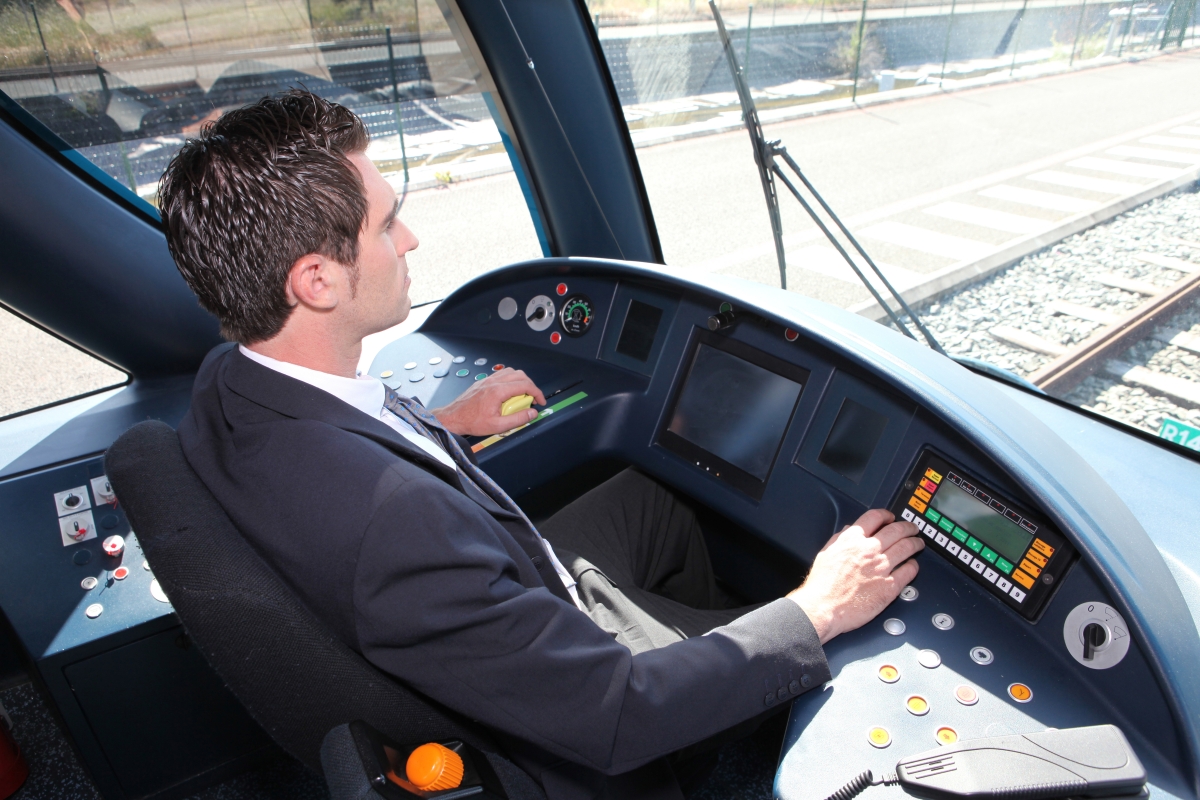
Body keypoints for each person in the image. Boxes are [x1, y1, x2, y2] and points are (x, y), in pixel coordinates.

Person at [159, 90, 923, 800]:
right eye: (386, 224)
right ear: (318, 281)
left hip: (515, 591)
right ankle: (707, 731)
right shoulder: (394, 526)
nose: (410, 237)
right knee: (831, 630)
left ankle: (696, 632)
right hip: (593, 712)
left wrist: (443, 426)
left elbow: (348, 449)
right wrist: (815, 608)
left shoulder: (233, 380)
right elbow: (617, 712)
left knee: (654, 498)